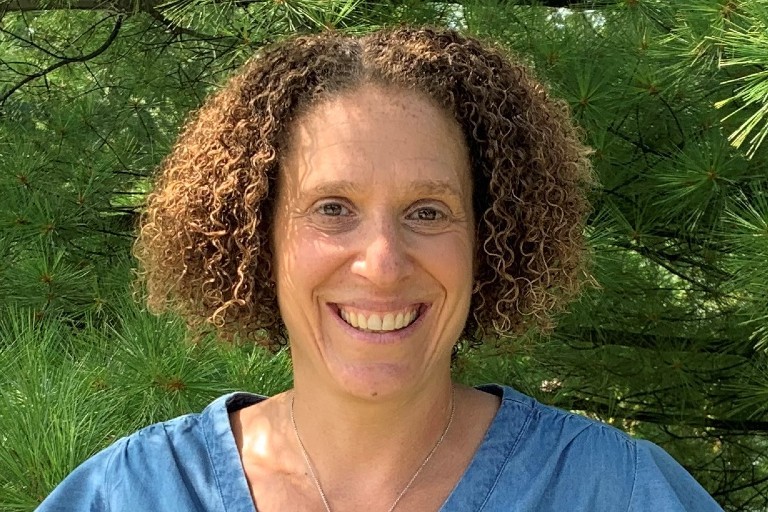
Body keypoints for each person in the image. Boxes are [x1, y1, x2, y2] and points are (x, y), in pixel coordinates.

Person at [37, 26, 723, 512]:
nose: (383, 262)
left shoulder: (619, 492)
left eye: (428, 211)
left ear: (490, 237)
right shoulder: (132, 494)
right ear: (254, 237)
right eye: (332, 208)